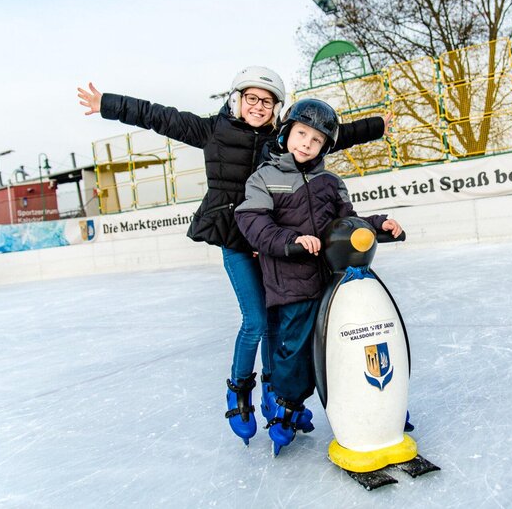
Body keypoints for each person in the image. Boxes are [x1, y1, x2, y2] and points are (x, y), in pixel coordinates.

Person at [77, 68, 390, 445]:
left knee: (278, 321)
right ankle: (240, 388)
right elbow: (159, 117)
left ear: (277, 109)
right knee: (256, 321)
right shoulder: (213, 131)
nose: (258, 107)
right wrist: (107, 104)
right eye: (251, 98)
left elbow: (329, 136)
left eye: (267, 101)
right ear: (237, 100)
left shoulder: (283, 139)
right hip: (237, 239)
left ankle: (277, 396)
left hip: (276, 238)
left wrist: (375, 126)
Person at [234, 99, 403, 455]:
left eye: (315, 140)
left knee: (350, 345)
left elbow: (347, 222)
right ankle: (287, 407)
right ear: (286, 133)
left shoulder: (330, 181)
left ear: (325, 146)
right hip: (291, 284)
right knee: (295, 353)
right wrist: (291, 242)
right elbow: (254, 225)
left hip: (332, 281)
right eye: (301, 134)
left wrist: (378, 225)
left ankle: (375, 404)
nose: (306, 144)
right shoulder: (263, 179)